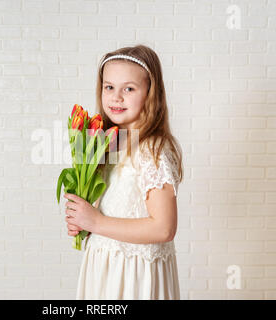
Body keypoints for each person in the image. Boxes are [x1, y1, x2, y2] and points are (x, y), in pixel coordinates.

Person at [63, 44, 184, 300]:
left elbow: (164, 228)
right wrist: (83, 221)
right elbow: (115, 207)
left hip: (134, 275)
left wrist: (95, 221)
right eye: (109, 87)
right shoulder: (109, 144)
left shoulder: (152, 150)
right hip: (105, 267)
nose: (116, 97)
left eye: (128, 88)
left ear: (150, 93)